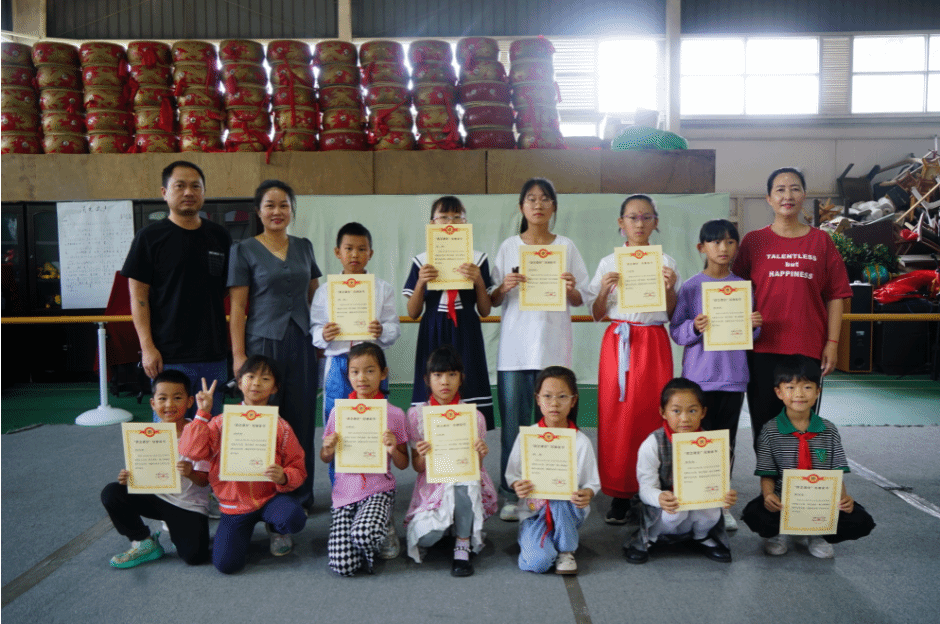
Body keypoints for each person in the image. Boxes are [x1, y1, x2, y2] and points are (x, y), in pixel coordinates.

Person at [490, 178, 590, 521]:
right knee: (514, 427)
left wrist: (570, 288)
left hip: (554, 350)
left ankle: (553, 488)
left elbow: (581, 298)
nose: (538, 205)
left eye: (545, 199)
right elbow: (491, 300)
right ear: (521, 207)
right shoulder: (509, 247)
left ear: (554, 207)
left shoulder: (566, 247)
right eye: (531, 199)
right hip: (514, 352)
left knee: (556, 424)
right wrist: (503, 286)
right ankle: (511, 494)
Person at [732, 168, 852, 451]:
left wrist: (832, 344)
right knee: (764, 426)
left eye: (795, 188)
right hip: (762, 349)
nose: (788, 195)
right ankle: (768, 479)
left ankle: (797, 480)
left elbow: (836, 296)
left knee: (801, 428)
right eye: (780, 189)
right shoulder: (753, 241)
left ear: (804, 195)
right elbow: (734, 291)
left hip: (807, 348)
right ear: (769, 198)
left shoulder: (821, 241)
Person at [228, 179, 321, 511]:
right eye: (270, 205)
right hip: (262, 344)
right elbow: (238, 307)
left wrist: (322, 338)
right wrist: (239, 355)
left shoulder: (304, 246)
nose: (277, 211)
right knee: (264, 420)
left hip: (303, 342)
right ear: (258, 211)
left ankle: (300, 494)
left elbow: (315, 297)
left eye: (284, 205)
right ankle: (263, 497)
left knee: (301, 418)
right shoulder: (243, 250)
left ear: (292, 211)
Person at [587, 194, 680, 525]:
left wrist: (669, 289)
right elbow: (596, 313)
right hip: (619, 342)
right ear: (621, 222)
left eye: (646, 217)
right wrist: (604, 290)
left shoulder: (666, 262)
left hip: (653, 341)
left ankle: (653, 489)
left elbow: (673, 313)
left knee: (654, 413)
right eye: (632, 217)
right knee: (617, 417)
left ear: (655, 222)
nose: (639, 223)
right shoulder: (608, 263)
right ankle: (620, 492)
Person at [669, 218, 762, 530]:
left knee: (725, 444)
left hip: (733, 379)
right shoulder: (691, 287)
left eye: (730, 242)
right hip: (698, 381)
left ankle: (720, 504)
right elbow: (677, 332)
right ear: (702, 247)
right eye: (716, 241)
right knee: (694, 442)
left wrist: (755, 325)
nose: (723, 248)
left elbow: (751, 336)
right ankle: (691, 500)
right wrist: (694, 327)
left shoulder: (743, 288)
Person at [178, 356, 307, 574]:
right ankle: (241, 532)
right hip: (234, 505)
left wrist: (284, 476)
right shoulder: (220, 422)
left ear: (275, 388)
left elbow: (298, 467)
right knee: (226, 565)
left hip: (269, 499)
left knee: (293, 517)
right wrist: (202, 414)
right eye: (250, 376)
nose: (256, 383)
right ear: (239, 382)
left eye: (265, 379)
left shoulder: (281, 426)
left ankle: (277, 529)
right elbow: (190, 451)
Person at [121, 160, 229, 420]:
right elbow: (138, 297)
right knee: (170, 432)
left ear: (204, 192)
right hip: (168, 354)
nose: (188, 192)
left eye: (195, 186)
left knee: (210, 431)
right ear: (164, 192)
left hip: (213, 355)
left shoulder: (220, 236)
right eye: (180, 186)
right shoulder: (149, 237)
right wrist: (147, 347)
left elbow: (226, 291)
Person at [741, 357, 875, 558]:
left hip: (820, 501)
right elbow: (767, 473)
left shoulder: (829, 430)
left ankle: (818, 533)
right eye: (790, 387)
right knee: (755, 515)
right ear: (779, 392)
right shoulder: (770, 431)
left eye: (807, 387)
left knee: (859, 520)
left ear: (817, 392)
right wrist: (768, 496)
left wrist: (843, 499)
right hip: (784, 501)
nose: (799, 394)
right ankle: (779, 532)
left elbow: (836, 473)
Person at [100, 369, 210, 568]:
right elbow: (142, 471)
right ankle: (143, 541)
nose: (169, 405)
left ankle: (178, 529)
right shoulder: (145, 434)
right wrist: (129, 477)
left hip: (187, 505)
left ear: (189, 402)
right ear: (153, 403)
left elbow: (205, 481)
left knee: (195, 557)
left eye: (177, 398)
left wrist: (191, 473)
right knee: (112, 492)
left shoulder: (199, 432)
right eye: (162, 398)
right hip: (157, 497)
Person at [403, 345, 498, 576]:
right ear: (427, 379)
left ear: (461, 378)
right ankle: (451, 524)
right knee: (426, 539)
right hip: (432, 485)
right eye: (437, 375)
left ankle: (462, 543)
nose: (445, 381)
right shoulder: (416, 415)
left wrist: (480, 454)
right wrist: (422, 454)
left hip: (464, 481)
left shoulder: (473, 417)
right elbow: (417, 467)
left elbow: (476, 469)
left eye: (452, 374)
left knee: (463, 481)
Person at [403, 196, 495, 429]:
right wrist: (421, 282)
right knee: (434, 378)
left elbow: (485, 310)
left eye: (457, 217)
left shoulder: (478, 259)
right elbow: (413, 312)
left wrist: (478, 281)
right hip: (433, 328)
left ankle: (469, 437)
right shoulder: (422, 261)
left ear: (466, 223)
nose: (450, 222)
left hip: (466, 327)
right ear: (432, 223)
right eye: (443, 217)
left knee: (468, 380)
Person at [624, 378, 737, 564]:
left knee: (712, 510)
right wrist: (660, 498)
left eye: (692, 410)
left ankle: (701, 536)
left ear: (703, 412)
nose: (684, 418)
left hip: (696, 504)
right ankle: (650, 537)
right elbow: (645, 488)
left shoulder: (713, 443)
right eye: (676, 411)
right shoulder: (652, 444)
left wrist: (724, 495)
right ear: (663, 412)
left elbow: (716, 481)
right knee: (676, 511)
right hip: (664, 510)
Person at [320, 342, 409, 576]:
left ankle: (383, 523)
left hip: (378, 490)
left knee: (363, 535)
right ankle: (362, 527)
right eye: (355, 371)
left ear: (383, 373)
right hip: (344, 493)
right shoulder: (339, 413)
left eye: (370, 371)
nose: (362, 378)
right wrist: (327, 449)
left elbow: (403, 463)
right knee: (343, 565)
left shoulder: (394, 414)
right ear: (348, 375)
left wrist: (393, 449)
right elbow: (325, 457)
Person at [505, 366, 600, 575]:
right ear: (538, 399)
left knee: (560, 494)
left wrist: (588, 493)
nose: (554, 403)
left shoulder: (581, 441)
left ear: (573, 401)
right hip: (534, 511)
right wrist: (517, 485)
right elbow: (512, 473)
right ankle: (532, 535)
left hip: (570, 512)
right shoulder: (528, 437)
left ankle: (566, 550)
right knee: (537, 563)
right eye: (547, 396)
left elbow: (592, 482)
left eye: (562, 396)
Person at [311, 222, 401, 437]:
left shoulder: (383, 289)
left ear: (370, 253)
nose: (355, 254)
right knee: (337, 424)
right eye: (349, 248)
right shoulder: (325, 291)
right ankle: (337, 461)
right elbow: (314, 328)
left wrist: (382, 330)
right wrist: (323, 334)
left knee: (374, 421)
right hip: (338, 362)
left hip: (371, 363)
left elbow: (394, 327)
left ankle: (375, 460)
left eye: (362, 249)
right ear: (337, 252)